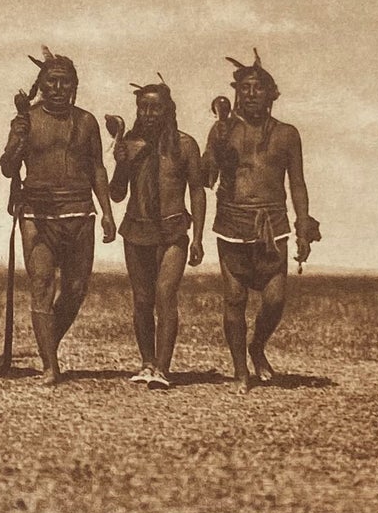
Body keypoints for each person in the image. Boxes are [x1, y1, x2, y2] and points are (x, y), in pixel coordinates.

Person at [203, 50, 322, 392]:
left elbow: (296, 183)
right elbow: (206, 177)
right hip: (231, 223)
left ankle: (257, 346)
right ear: (236, 94)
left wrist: (303, 225)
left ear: (272, 94)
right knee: (235, 300)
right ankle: (241, 371)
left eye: (258, 88)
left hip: (273, 226)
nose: (251, 94)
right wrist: (216, 150)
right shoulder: (222, 130)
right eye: (245, 89)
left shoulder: (287, 134)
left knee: (274, 300)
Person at [0, 49, 114, 386]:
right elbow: (7, 167)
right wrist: (19, 137)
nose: (58, 88)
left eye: (65, 82)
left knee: (76, 289)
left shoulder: (87, 121)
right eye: (52, 81)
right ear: (41, 85)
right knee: (42, 287)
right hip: (37, 213)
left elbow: (97, 168)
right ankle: (51, 365)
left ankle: (47, 342)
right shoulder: (26, 120)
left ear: (74, 86)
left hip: (80, 211)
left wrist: (107, 211)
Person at [107, 79, 205, 389]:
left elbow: (197, 192)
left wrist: (199, 237)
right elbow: (117, 194)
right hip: (136, 228)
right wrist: (121, 164)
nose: (148, 113)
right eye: (143, 107)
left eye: (155, 108)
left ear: (168, 110)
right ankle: (146, 363)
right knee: (142, 299)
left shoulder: (185, 145)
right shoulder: (131, 145)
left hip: (174, 227)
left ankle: (162, 368)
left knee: (165, 295)